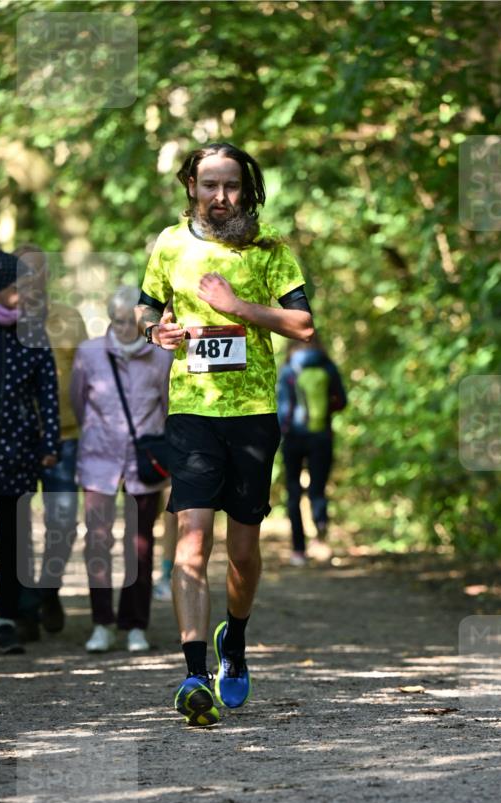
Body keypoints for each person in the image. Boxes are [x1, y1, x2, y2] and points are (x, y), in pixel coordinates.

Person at [136, 141, 314, 726]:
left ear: (246, 188)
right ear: (191, 186)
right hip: (191, 410)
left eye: (231, 185)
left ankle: (232, 643)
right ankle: (192, 672)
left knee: (242, 553)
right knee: (192, 541)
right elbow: (146, 310)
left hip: (254, 413)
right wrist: (154, 332)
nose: (220, 196)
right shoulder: (168, 244)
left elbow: (302, 325)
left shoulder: (271, 250)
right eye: (210, 185)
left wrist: (236, 306)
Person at [71, 286, 173, 653]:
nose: (123, 328)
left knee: (141, 546)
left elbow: (167, 407)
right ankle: (102, 623)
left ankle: (135, 625)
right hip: (98, 460)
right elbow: (78, 403)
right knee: (96, 542)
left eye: (129, 322)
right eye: (116, 321)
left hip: (144, 463)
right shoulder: (89, 354)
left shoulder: (161, 357)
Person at [0, 249, 60, 654]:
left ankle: (7, 621)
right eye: (15, 288)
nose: (23, 295)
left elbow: (47, 393)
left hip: (18, 449)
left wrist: (49, 443)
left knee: (14, 540)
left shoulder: (32, 330)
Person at [14, 243, 88, 637]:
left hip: (67, 438)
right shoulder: (2, 322)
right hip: (19, 442)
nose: (31, 279)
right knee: (20, 523)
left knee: (63, 524)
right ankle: (25, 610)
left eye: (37, 271)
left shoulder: (70, 319)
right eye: (22, 272)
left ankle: (48, 588)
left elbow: (88, 377)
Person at [277, 340, 347, 565]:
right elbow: (342, 401)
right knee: (318, 490)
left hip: (293, 439)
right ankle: (320, 537)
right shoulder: (327, 366)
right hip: (321, 436)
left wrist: (281, 433)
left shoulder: (288, 369)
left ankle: (298, 549)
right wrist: (325, 413)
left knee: (294, 492)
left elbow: (283, 409)